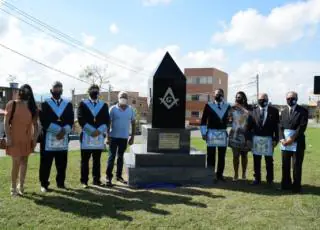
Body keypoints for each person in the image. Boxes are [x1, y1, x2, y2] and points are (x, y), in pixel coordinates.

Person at [39, 81, 74, 192]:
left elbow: (71, 120)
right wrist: (58, 130)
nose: (57, 90)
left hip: (63, 138)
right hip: (48, 138)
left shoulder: (68, 104)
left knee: (62, 162)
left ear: (62, 90)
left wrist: (64, 132)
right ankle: (44, 184)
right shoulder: (45, 103)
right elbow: (43, 120)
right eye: (55, 88)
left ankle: (61, 183)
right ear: (51, 90)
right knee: (46, 163)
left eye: (59, 88)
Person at [4, 84, 38, 196]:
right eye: (23, 90)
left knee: (24, 162)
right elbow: (5, 121)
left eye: (28, 91)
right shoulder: (12, 104)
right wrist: (8, 137)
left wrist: (35, 139)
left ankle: (21, 186)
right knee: (16, 163)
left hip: (27, 140)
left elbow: (35, 125)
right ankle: (13, 187)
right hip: (14, 139)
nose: (25, 92)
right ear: (20, 92)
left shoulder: (32, 107)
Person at [77, 84, 110, 188]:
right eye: (92, 89)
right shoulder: (82, 104)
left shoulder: (104, 105)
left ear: (99, 92)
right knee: (85, 160)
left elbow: (107, 120)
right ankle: (84, 181)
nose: (94, 91)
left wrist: (99, 131)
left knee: (97, 160)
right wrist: (91, 131)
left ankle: (96, 180)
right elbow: (80, 118)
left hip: (98, 135)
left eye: (96, 89)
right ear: (89, 91)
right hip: (87, 134)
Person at [279, 91, 308, 193]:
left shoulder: (303, 111)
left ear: (297, 98)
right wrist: (282, 138)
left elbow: (302, 127)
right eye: (288, 98)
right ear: (286, 99)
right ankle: (286, 185)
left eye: (292, 98)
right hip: (285, 144)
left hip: (297, 143)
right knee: (285, 165)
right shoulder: (283, 111)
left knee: (296, 165)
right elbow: (280, 127)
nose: (290, 100)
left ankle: (296, 187)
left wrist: (292, 139)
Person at [200, 89, 231, 182]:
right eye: (217, 94)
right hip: (211, 133)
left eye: (221, 94)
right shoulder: (208, 105)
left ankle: (220, 175)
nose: (219, 96)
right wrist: (203, 133)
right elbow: (203, 121)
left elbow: (232, 119)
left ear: (223, 95)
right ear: (214, 95)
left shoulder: (228, 106)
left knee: (222, 156)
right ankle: (210, 174)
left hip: (222, 134)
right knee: (211, 155)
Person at [106, 91, 136, 187]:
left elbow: (133, 123)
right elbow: (108, 123)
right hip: (113, 137)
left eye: (125, 97)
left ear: (127, 99)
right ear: (118, 98)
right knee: (111, 158)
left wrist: (132, 137)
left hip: (124, 138)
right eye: (121, 96)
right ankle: (108, 178)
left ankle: (118, 176)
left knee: (120, 158)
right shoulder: (112, 109)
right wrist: (107, 136)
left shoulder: (131, 110)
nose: (123, 98)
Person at [251, 93, 279, 185]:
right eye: (260, 99)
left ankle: (270, 180)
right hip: (256, 140)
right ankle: (257, 179)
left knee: (269, 161)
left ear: (268, 100)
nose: (262, 101)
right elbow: (250, 127)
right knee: (256, 160)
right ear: (257, 100)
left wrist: (276, 139)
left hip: (269, 140)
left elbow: (277, 127)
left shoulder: (274, 111)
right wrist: (249, 139)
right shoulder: (253, 111)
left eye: (264, 99)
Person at [228, 91, 253, 181]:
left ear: (244, 98)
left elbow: (251, 116)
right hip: (234, 134)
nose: (238, 98)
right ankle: (235, 175)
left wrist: (241, 108)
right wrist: (230, 118)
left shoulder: (249, 108)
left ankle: (243, 174)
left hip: (245, 135)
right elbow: (229, 119)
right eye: (237, 97)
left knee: (244, 155)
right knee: (235, 155)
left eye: (240, 97)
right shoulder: (232, 108)